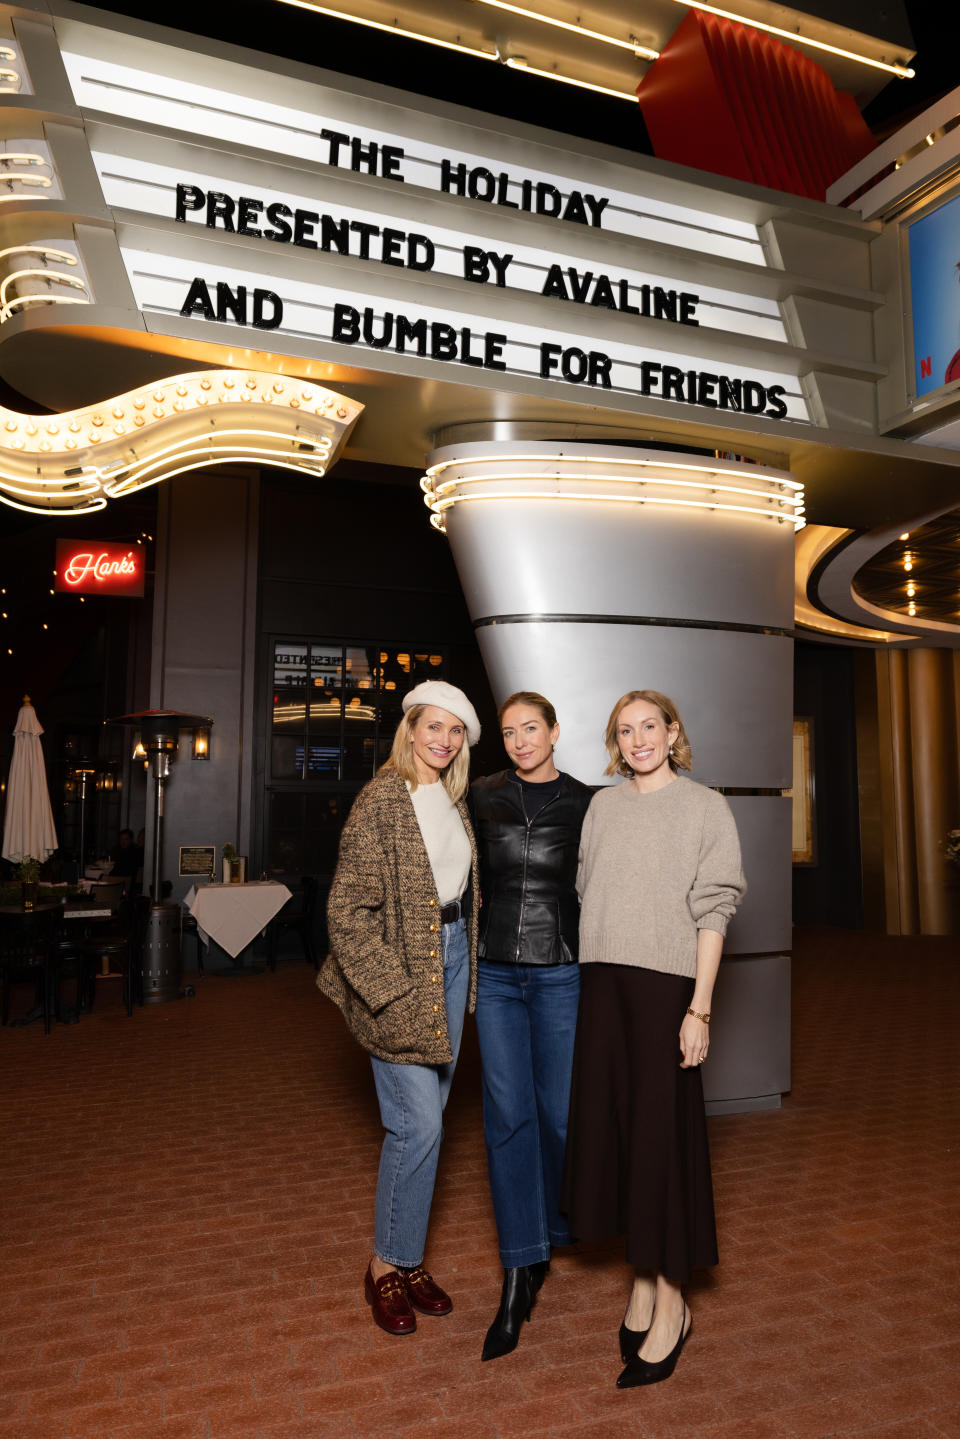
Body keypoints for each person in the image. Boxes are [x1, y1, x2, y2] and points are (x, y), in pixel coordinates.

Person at [562, 690, 745, 1388]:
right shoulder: (603, 806)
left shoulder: (705, 807)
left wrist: (698, 1009)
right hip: (603, 986)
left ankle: (673, 1301)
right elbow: (588, 889)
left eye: (649, 726)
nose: (638, 739)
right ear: (615, 741)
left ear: (672, 732)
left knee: (663, 1143)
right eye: (624, 730)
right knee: (619, 1136)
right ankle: (642, 1277)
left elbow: (715, 908)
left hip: (668, 989)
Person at [318, 680, 481, 1337]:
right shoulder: (382, 798)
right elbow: (346, 908)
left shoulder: (452, 796)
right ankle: (385, 1263)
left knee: (430, 1120)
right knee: (419, 1126)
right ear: (410, 727)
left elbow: (464, 891)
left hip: (453, 960)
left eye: (456, 730)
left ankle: (408, 1256)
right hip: (400, 972)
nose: (442, 739)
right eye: (432, 726)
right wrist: (387, 987)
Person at [470, 692, 593, 1361]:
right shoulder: (481, 794)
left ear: (553, 731)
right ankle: (519, 1269)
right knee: (507, 1116)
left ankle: (554, 1233)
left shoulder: (585, 801)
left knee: (558, 1114)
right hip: (495, 977)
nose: (520, 741)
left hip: (560, 973)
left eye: (531, 729)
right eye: (510, 731)